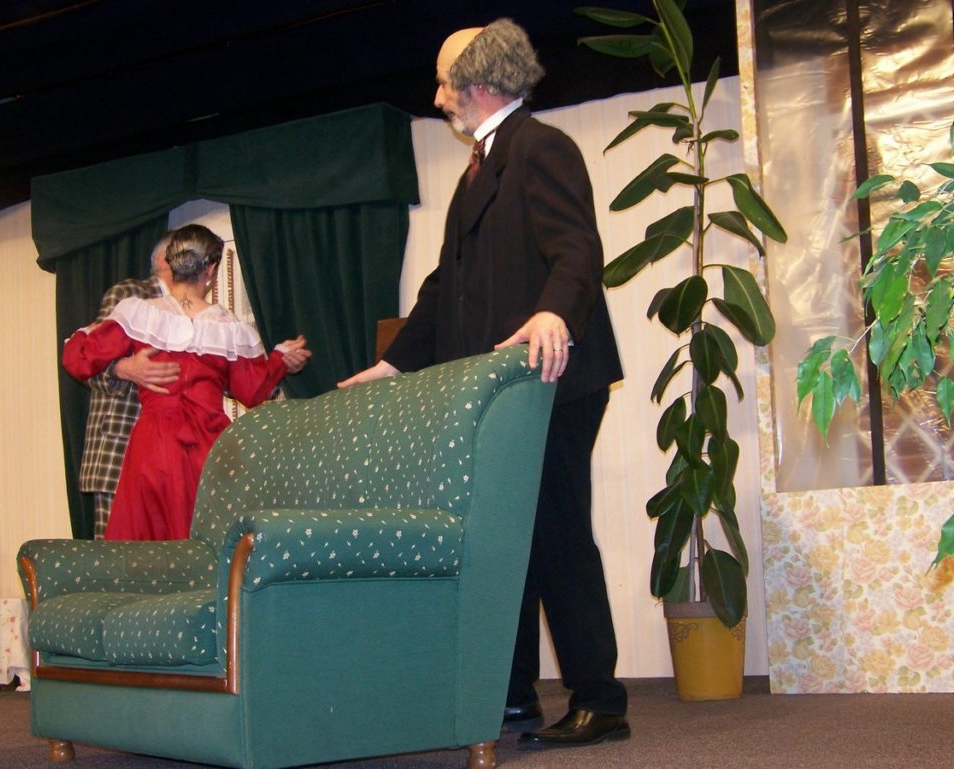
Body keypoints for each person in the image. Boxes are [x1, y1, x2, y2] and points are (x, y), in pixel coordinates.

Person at [338, 19, 629, 748]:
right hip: (498, 391)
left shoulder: (541, 147)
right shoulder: (478, 171)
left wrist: (553, 313)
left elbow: (577, 247)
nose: (437, 99)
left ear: (478, 84)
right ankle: (513, 697)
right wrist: (392, 363)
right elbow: (444, 287)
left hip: (549, 378)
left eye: (443, 84)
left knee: (558, 535)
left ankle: (600, 700)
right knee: (504, 544)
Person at [64, 224, 311, 541]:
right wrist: (279, 360)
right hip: (208, 445)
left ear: (172, 262)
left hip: (153, 445)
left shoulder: (142, 314)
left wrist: (99, 349)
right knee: (208, 541)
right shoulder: (227, 327)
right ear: (210, 270)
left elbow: (79, 358)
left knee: (147, 546)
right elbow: (251, 390)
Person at [79, 232, 180, 539]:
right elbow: (87, 360)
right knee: (118, 557)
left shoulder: (189, 310)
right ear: (163, 260)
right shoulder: (130, 294)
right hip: (120, 447)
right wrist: (124, 369)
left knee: (165, 557)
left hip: (168, 456)